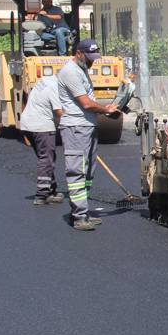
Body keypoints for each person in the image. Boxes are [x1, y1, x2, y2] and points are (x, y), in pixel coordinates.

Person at [57, 39, 118, 231]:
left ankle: (84, 211)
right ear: (79, 53)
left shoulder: (82, 70)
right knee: (77, 171)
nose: (92, 62)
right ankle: (79, 216)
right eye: (89, 58)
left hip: (87, 126)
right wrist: (105, 110)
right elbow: (86, 103)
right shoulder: (70, 72)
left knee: (88, 173)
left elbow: (90, 100)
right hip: (76, 127)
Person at [19, 75, 65, 205]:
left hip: (27, 123)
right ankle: (42, 194)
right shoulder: (55, 87)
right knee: (46, 159)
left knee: (45, 157)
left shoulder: (45, 80)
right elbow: (58, 111)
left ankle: (51, 190)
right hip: (41, 126)